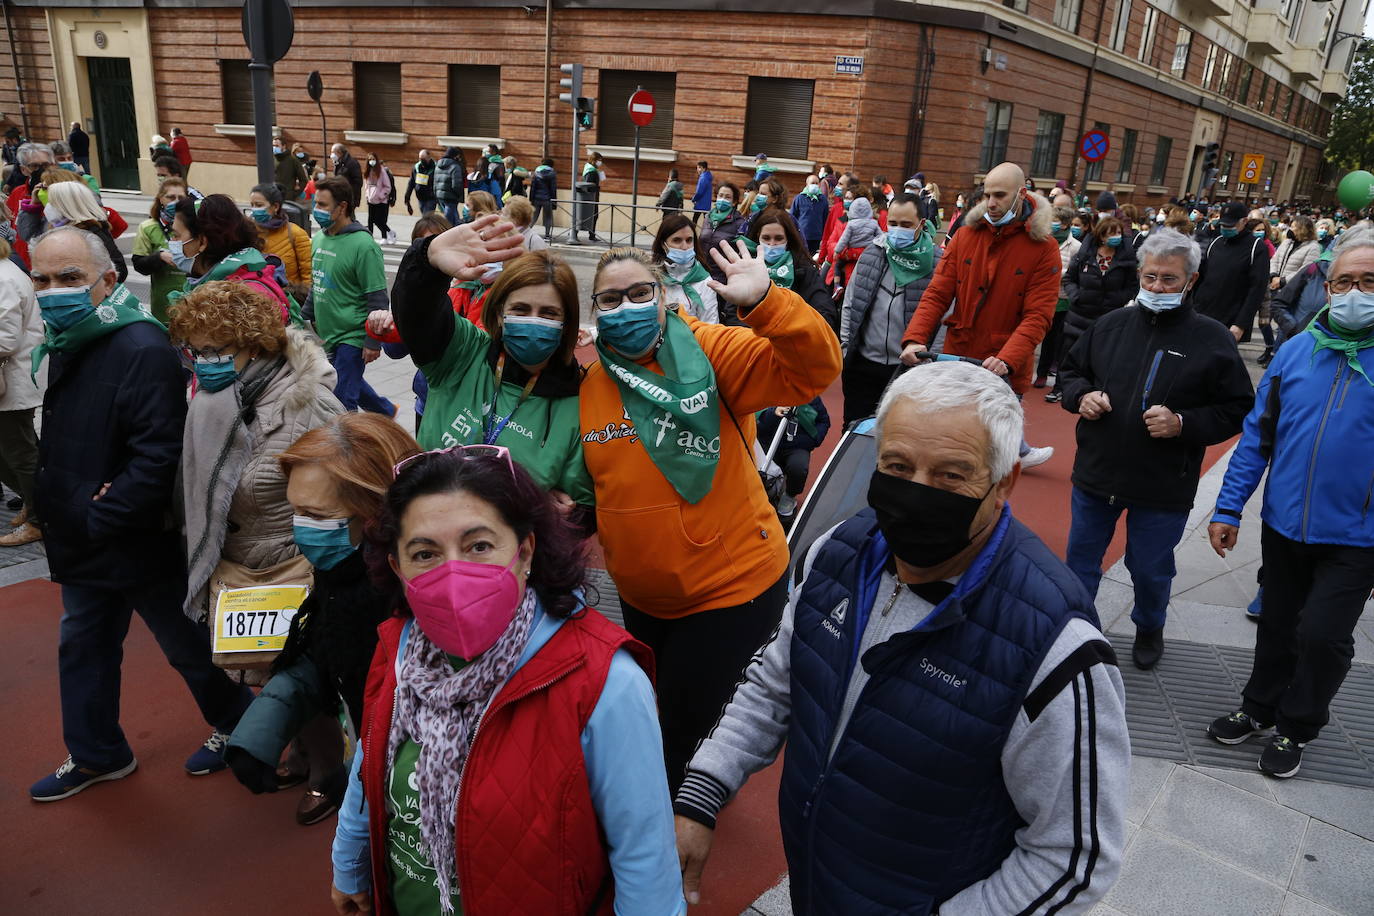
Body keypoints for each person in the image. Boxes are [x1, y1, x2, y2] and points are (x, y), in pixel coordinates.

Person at [672, 360, 1129, 913]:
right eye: (898, 465)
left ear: (1004, 480)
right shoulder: (835, 551)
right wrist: (702, 792)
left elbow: (1074, 856)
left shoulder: (1055, 643)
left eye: (952, 475)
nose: (916, 493)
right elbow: (774, 683)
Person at [329, 445, 685, 916]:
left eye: (479, 546)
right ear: (398, 567)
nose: (453, 575)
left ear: (525, 552)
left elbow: (643, 855)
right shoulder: (399, 651)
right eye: (424, 553)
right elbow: (370, 764)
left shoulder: (605, 682)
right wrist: (348, 862)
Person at [581, 243, 841, 792]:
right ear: (595, 311)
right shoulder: (592, 382)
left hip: (728, 588)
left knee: (678, 732)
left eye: (638, 293)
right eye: (610, 299)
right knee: (664, 713)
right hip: (644, 596)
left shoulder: (709, 350)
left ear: (662, 297)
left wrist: (768, 302)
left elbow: (813, 369)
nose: (625, 307)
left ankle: (671, 845)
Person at [27, 227, 256, 801]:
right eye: (43, 279)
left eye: (69, 278)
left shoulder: (139, 346)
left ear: (107, 280)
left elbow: (158, 455)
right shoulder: (71, 337)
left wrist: (99, 517)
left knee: (185, 645)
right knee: (82, 645)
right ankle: (97, 752)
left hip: (131, 540)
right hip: (84, 537)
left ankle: (241, 724)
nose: (54, 291)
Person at [1206, 227, 1374, 779]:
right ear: (1327, 287)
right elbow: (1258, 437)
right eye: (1345, 281)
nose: (1354, 292)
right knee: (1277, 624)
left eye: (1369, 282)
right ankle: (1259, 707)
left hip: (1358, 536)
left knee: (1322, 635)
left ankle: (1297, 726)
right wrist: (1229, 508)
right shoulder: (1297, 350)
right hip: (1285, 525)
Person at [1057, 229, 1254, 669]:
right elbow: (1071, 373)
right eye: (1149, 278)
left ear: (1192, 280)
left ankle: (1149, 625)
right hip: (1096, 473)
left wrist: (1183, 423)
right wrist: (1081, 397)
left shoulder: (1212, 338)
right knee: (1080, 563)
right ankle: (1076, 629)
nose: (1157, 288)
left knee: (1150, 569)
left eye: (1168, 280)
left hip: (1164, 483)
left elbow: (1238, 408)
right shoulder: (1111, 325)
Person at [226, 413, 420, 824]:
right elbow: (323, 653)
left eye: (316, 514)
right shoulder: (345, 568)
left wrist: (353, 787)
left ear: (374, 511)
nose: (302, 529)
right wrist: (260, 734)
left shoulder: (411, 601)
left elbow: (404, 737)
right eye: (295, 510)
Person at [388, 223, 593, 520]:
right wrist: (427, 258)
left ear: (567, 325)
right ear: (499, 312)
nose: (533, 321)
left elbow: (581, 509)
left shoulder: (577, 402)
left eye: (548, 313)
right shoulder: (464, 354)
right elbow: (417, 315)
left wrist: (550, 516)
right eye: (521, 309)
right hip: (429, 535)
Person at [169, 280, 342, 621]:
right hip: (235, 583)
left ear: (257, 347)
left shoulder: (310, 405)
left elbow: (345, 507)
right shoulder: (212, 400)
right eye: (196, 352)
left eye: (217, 351)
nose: (204, 364)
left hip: (292, 581)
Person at [900, 162, 1060, 469]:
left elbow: (1038, 316)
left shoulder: (1043, 248)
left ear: (1021, 194)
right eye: (987, 195)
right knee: (946, 449)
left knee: (988, 461)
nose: (991, 203)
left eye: (1000, 195)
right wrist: (915, 339)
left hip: (1003, 368)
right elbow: (937, 294)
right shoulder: (965, 236)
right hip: (957, 357)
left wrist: (1007, 358)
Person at [839, 193, 942, 425]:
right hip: (863, 366)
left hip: (908, 370)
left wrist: (930, 364)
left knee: (897, 439)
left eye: (906, 225)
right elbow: (850, 302)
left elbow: (946, 317)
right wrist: (846, 347)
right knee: (854, 432)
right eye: (893, 223)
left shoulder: (938, 264)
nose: (897, 230)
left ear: (921, 225)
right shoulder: (872, 254)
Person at [308, 177, 394, 416]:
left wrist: (373, 341)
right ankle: (385, 410)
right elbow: (317, 285)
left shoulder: (364, 245)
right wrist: (301, 322)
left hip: (352, 337)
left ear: (342, 207)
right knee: (346, 382)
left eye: (323, 205)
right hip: (326, 335)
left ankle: (352, 449)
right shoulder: (319, 239)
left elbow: (377, 298)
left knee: (341, 403)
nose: (317, 210)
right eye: (316, 203)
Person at [1045, 215, 1139, 404]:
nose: (1117, 237)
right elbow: (1069, 278)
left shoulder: (1126, 259)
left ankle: (1092, 392)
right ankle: (1060, 388)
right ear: (1102, 236)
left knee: (1100, 357)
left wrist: (1118, 300)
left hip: (1107, 317)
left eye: (1119, 233)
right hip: (1079, 315)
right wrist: (1076, 296)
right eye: (1112, 233)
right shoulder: (1086, 254)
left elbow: (1132, 286)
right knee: (1068, 354)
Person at [0, 233, 42, 547]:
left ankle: (41, 517)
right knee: (15, 451)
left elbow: (5, 339)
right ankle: (33, 503)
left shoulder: (5, 278)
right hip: (10, 382)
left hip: (11, 383)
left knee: (20, 452)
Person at [19, 175, 127, 283]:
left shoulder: (91, 231)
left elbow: (119, 269)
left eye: (51, 203)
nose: (48, 207)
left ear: (66, 205)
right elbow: (30, 236)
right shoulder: (58, 228)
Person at [744, 207, 837, 330]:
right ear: (758, 237)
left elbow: (825, 311)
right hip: (752, 341)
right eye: (766, 238)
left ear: (788, 239)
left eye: (778, 238)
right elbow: (733, 313)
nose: (772, 244)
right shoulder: (746, 267)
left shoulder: (804, 269)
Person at [1191, 202, 1270, 342]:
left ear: (1244, 221)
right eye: (1223, 225)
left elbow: (1257, 289)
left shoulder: (1257, 248)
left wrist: (1241, 323)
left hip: (1230, 320)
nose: (1226, 228)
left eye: (1230, 225)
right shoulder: (1216, 243)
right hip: (1202, 313)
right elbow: (1201, 278)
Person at [754, 396, 830, 518]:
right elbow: (756, 420)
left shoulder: (809, 396)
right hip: (768, 444)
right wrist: (773, 412)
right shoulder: (767, 390)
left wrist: (813, 440)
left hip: (797, 446)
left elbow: (823, 421)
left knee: (798, 467)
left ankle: (789, 495)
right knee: (758, 470)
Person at [130, 177, 189, 324]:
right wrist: (160, 257)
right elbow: (139, 264)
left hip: (193, 302)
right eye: (170, 197)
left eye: (180, 197)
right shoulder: (148, 227)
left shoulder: (195, 225)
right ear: (160, 199)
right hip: (163, 304)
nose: (176, 202)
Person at [1035, 205, 1081, 390]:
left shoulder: (1076, 246)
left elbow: (1073, 274)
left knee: (1053, 340)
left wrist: (1056, 272)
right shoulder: (1042, 241)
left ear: (1064, 225)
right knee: (1034, 335)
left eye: (1054, 221)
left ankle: (1043, 374)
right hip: (1040, 295)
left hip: (1062, 299)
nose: (1050, 224)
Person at [652, 213, 719, 323]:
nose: (684, 247)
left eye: (689, 240)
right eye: (677, 240)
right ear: (664, 244)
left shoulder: (705, 281)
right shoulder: (652, 278)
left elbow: (710, 324)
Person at [249, 182, 314, 288]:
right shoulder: (248, 232)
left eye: (259, 205)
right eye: (252, 205)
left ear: (275, 206)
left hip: (289, 299)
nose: (254, 209)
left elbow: (308, 274)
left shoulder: (296, 234)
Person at [699, 181, 746, 286]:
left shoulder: (739, 223)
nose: (723, 199)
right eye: (720, 195)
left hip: (722, 277)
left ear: (734, 202)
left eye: (728, 197)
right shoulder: (708, 218)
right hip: (702, 274)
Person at [788, 174, 828, 254]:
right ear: (807, 185)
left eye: (817, 183)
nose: (815, 185)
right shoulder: (799, 198)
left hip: (817, 237)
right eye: (812, 183)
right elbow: (792, 217)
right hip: (802, 236)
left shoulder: (823, 199)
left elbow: (825, 218)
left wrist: (824, 237)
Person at [362, 154, 395, 244]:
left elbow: (387, 186)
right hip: (371, 200)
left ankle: (386, 235)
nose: (371, 161)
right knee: (370, 220)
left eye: (373, 159)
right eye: (370, 159)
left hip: (381, 200)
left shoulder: (382, 171)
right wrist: (367, 195)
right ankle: (370, 237)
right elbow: (366, 185)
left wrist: (381, 195)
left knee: (379, 220)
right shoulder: (367, 171)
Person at [574, 150, 604, 243]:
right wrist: (595, 189)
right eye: (599, 160)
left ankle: (584, 234)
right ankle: (583, 234)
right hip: (590, 196)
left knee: (586, 216)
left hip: (590, 196)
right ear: (594, 160)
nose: (600, 162)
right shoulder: (591, 171)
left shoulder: (591, 169)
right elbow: (589, 184)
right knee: (591, 215)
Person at [432, 146, 466, 225]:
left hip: (440, 195)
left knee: (452, 217)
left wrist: (436, 194)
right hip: (451, 197)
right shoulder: (455, 166)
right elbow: (456, 184)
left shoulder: (438, 165)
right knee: (449, 220)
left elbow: (435, 181)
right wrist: (458, 195)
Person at [528, 157, 556, 241]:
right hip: (548, 199)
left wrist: (531, 199)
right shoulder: (552, 174)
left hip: (536, 198)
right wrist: (554, 201)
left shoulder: (536, 173)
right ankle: (547, 235)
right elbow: (553, 188)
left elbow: (533, 187)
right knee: (548, 217)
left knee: (533, 217)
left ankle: (526, 233)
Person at [404, 148, 436, 216]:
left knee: (427, 216)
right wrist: (407, 197)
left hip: (431, 197)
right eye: (420, 159)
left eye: (424, 159)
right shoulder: (416, 168)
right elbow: (411, 183)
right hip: (420, 197)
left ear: (429, 157)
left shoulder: (435, 168)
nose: (422, 161)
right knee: (424, 215)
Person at [331, 143, 363, 208]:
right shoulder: (338, 163)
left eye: (333, 152)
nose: (332, 155)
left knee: (348, 216)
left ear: (339, 152)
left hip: (349, 198)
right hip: (340, 196)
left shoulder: (352, 163)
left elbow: (358, 182)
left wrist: (348, 193)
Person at [691, 160, 713, 227]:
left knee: (694, 220)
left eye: (699, 167)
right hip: (706, 204)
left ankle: (693, 235)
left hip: (700, 203)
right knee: (707, 222)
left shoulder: (703, 178)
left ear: (704, 168)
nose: (698, 170)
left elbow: (699, 192)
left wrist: (694, 199)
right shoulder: (708, 177)